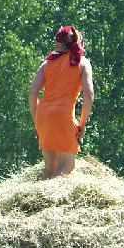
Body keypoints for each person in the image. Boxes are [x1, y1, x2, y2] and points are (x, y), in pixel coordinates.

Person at [28, 25, 94, 179]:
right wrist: (82, 124)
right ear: (79, 43)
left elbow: (32, 94)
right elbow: (89, 95)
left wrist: (36, 122)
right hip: (62, 117)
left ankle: (38, 200)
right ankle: (48, 200)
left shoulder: (47, 63)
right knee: (66, 166)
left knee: (50, 168)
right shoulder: (83, 63)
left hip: (43, 115)